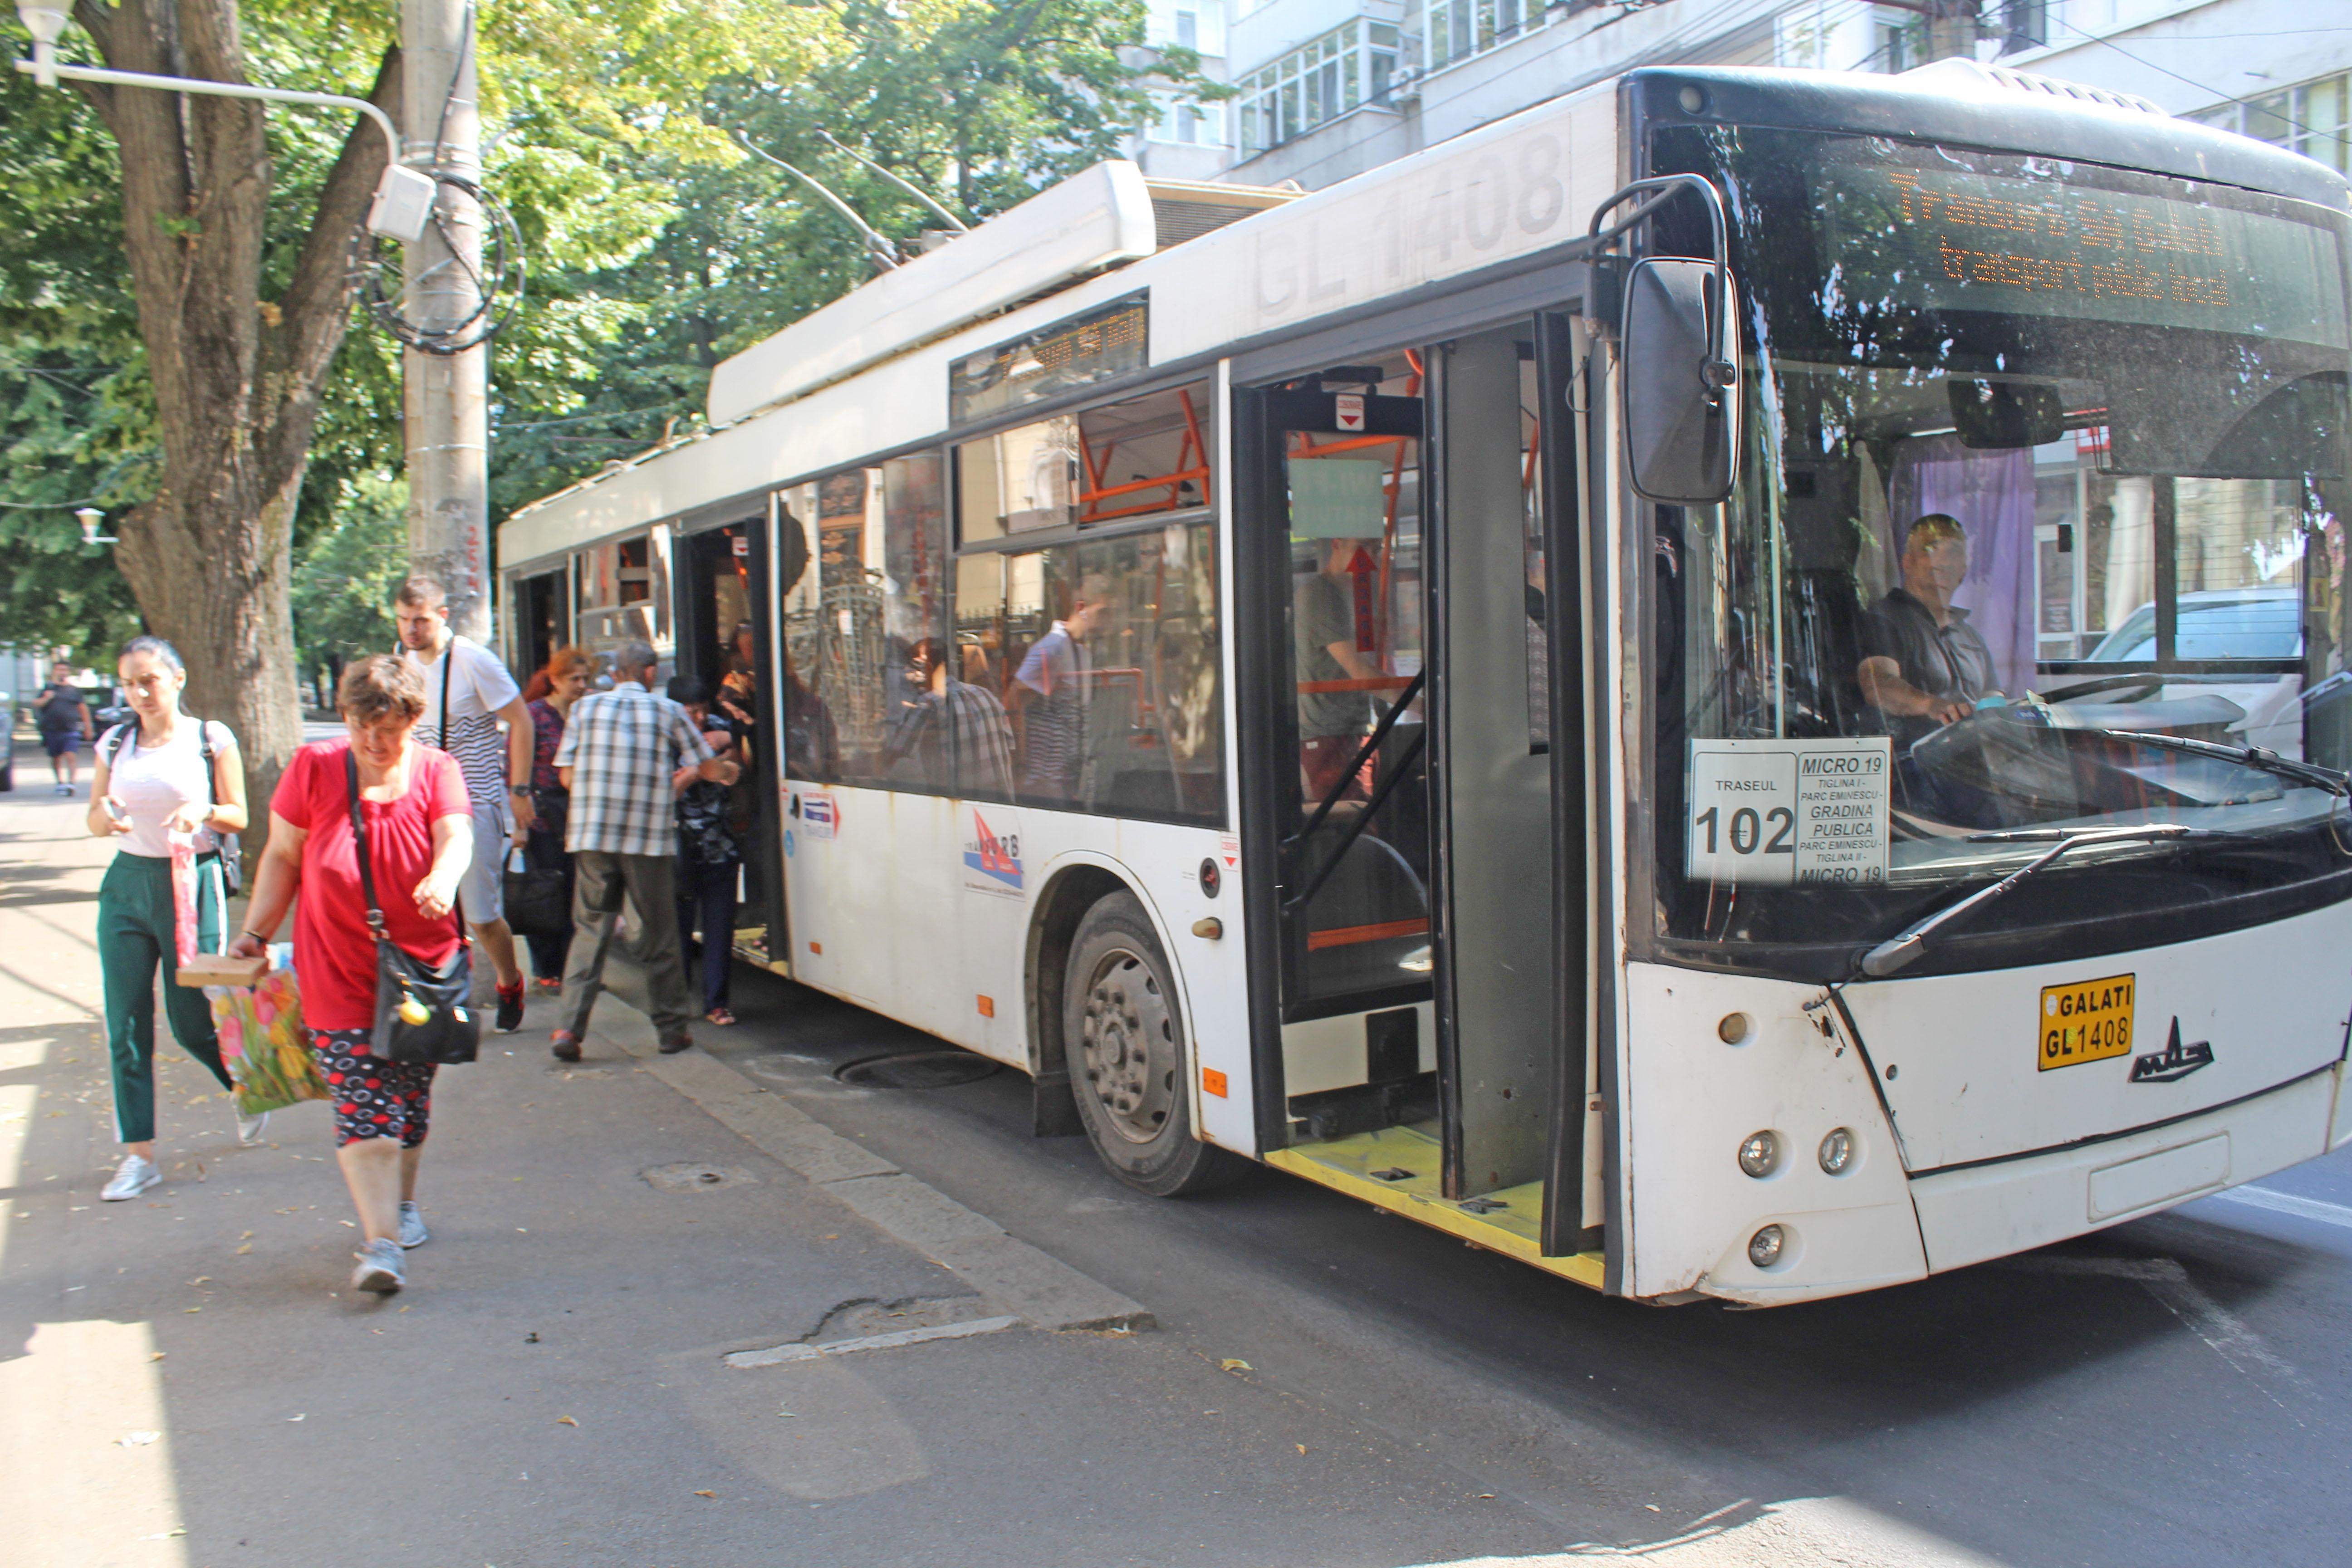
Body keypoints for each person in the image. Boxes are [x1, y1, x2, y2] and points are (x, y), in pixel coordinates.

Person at [226, 656, 473, 1295]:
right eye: (362, 726)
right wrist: (255, 931)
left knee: (409, 1104)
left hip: (422, 973)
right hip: (333, 968)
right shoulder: (313, 769)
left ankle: (403, 1205)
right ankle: (381, 1245)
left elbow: (457, 836)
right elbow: (283, 855)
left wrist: (444, 878)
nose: (374, 741)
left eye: (388, 729)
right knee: (364, 1106)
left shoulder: (437, 770)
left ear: (414, 721)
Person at [85, 637, 256, 1202]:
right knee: (126, 1023)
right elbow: (93, 815)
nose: (140, 692)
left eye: (149, 680)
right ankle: (139, 1156)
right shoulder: (115, 743)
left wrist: (204, 809)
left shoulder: (210, 739)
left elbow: (238, 815)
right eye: (130, 683)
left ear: (177, 679)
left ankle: (244, 1084)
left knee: (189, 1021)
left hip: (192, 881)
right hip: (128, 886)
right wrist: (104, 816)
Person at [549, 640, 738, 1061]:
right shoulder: (667, 710)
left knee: (590, 928)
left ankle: (569, 1029)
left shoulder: (584, 709)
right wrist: (727, 771)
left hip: (592, 835)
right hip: (645, 837)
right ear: (651, 673)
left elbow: (565, 777)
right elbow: (704, 765)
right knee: (661, 933)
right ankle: (671, 1031)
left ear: (616, 673)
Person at [393, 577, 537, 1034]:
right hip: (420, 804)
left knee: (480, 913)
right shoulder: (402, 661)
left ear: (442, 616)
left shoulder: (473, 660)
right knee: (422, 907)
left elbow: (521, 721)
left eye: (420, 620)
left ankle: (510, 981)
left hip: (474, 800)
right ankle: (439, 1004)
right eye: (403, 620)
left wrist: (519, 790)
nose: (411, 629)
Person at [1857, 514, 2002, 743]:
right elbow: (1878, 686)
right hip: (1914, 766)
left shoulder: (1971, 637)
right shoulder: (1884, 619)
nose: (1943, 562)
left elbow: (1993, 699)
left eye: (1953, 551)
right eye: (1931, 549)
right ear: (1907, 563)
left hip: (1974, 764)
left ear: (1964, 569)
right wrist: (1932, 705)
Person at [666, 677, 742, 1026]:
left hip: (720, 844)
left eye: (702, 710)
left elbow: (737, 769)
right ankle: (678, 1003)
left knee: (720, 928)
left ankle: (717, 1003)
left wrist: (728, 746)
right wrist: (701, 771)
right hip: (678, 848)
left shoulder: (718, 729)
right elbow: (668, 792)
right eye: (691, 712)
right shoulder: (662, 737)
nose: (698, 719)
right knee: (678, 932)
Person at [521, 647, 597, 989]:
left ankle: (575, 970)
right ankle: (548, 968)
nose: (581, 685)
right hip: (545, 815)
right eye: (574, 679)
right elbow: (515, 766)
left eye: (585, 679)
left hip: (581, 814)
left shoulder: (588, 713)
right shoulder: (534, 715)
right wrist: (519, 820)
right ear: (555, 681)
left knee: (577, 896)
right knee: (547, 892)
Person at [1296, 536, 1385, 800]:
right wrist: (1424, 706)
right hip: (1330, 736)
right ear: (1337, 544)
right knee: (1355, 829)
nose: (1370, 556)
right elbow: (1361, 672)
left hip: (1354, 730)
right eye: (1362, 546)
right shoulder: (1320, 596)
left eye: (1377, 548)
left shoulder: (1355, 594)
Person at [1012, 576, 1109, 801]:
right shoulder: (1052, 647)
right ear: (1081, 608)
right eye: (1102, 612)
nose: (1106, 622)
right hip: (1049, 777)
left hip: (1073, 771)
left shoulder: (1082, 653)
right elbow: (1016, 700)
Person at [881, 637, 1015, 795]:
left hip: (961, 806)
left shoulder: (930, 703)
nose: (906, 672)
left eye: (912, 665)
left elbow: (895, 754)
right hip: (1002, 803)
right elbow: (1011, 745)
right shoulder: (986, 695)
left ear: (928, 667)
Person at [34, 660, 94, 795]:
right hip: (52, 729)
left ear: (68, 672)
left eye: (64, 670)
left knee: (70, 754)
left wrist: (88, 727)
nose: (62, 672)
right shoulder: (48, 688)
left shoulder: (74, 690)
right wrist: (46, 698)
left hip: (71, 729)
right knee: (56, 757)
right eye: (59, 670)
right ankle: (60, 782)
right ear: (54, 672)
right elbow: (37, 703)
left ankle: (71, 783)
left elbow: (83, 709)